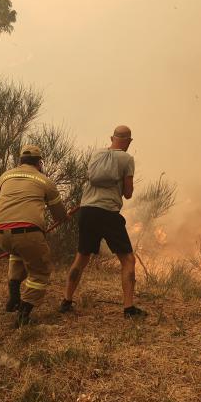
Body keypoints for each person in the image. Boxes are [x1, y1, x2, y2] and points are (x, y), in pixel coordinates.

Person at [59, 125, 145, 319]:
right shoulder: (127, 159)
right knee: (127, 260)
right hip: (108, 213)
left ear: (111, 138)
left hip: (87, 211)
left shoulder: (97, 154)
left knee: (81, 257)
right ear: (129, 141)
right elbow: (128, 193)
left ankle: (66, 301)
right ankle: (129, 309)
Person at [0, 145, 68, 327]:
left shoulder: (5, 176)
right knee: (40, 272)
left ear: (20, 162)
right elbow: (59, 216)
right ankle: (24, 315)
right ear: (40, 163)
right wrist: (64, 216)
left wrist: (3, 221)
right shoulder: (44, 180)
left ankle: (13, 298)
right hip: (28, 233)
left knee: (18, 253)